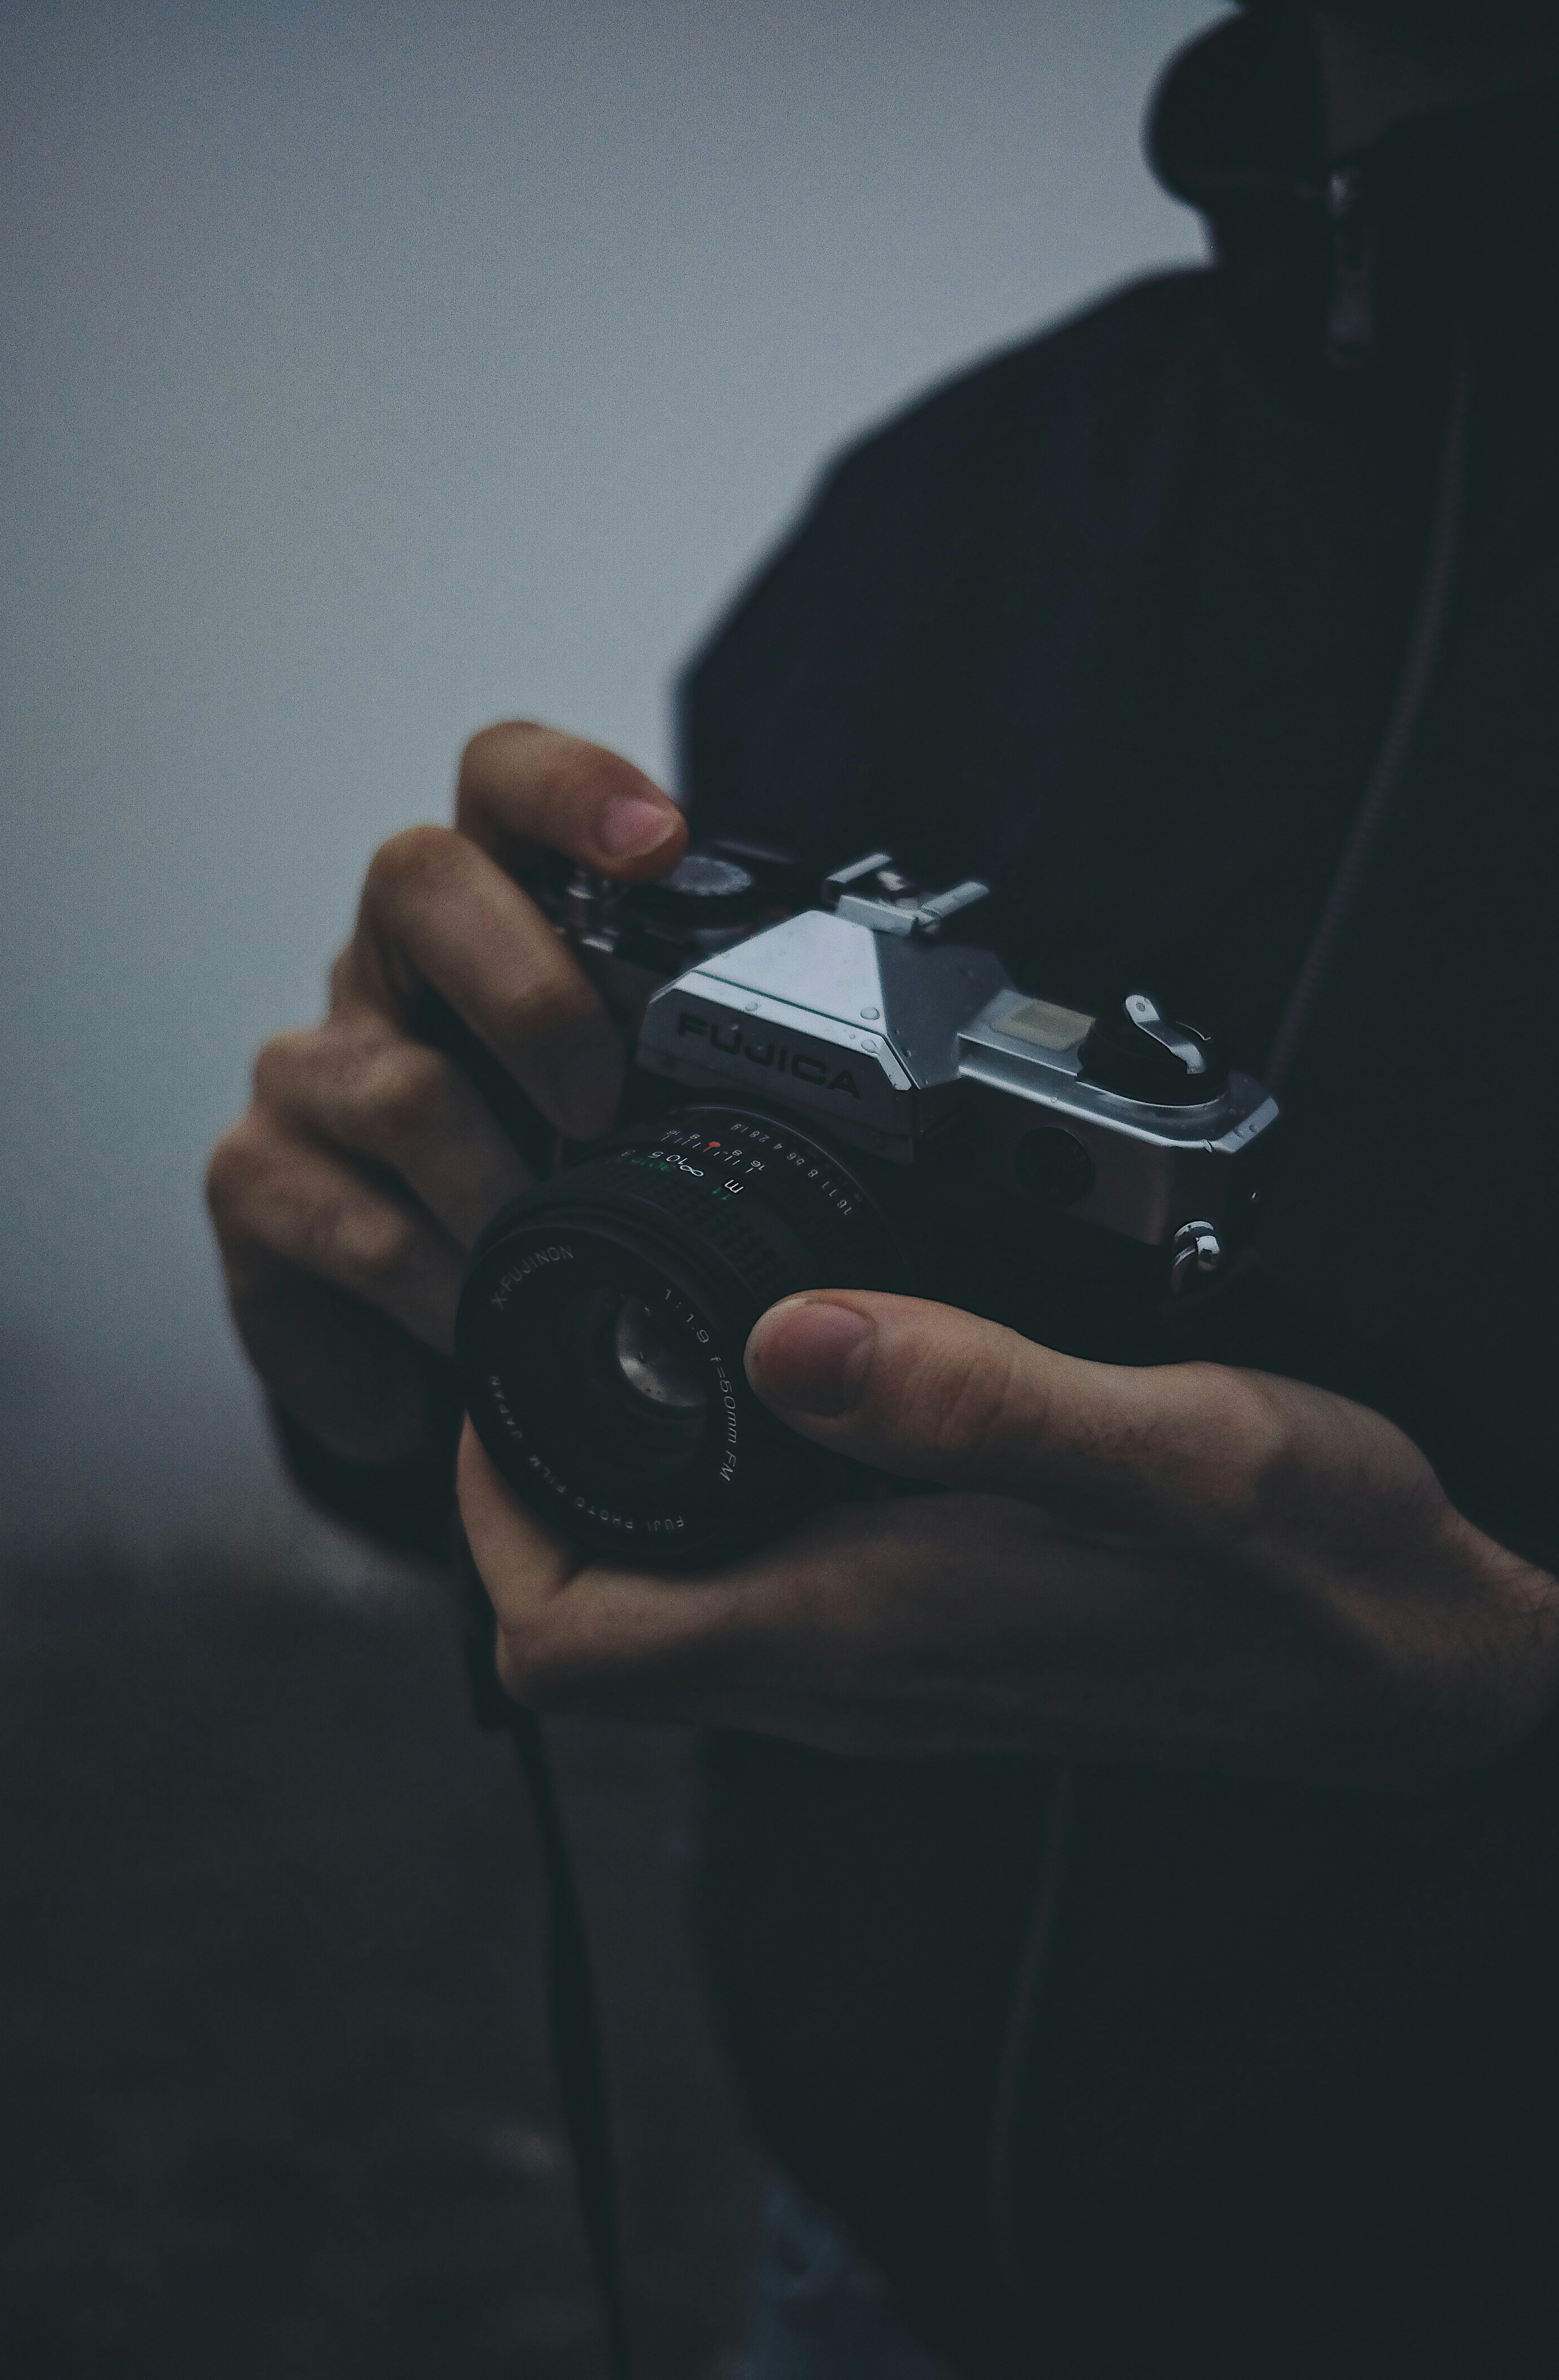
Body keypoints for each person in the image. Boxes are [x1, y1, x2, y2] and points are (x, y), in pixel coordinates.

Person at [206, 4, 1559, 2372]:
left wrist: (1522, 1709)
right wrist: (393, 1350)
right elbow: (697, 1403)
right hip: (877, 2256)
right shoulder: (937, 513)